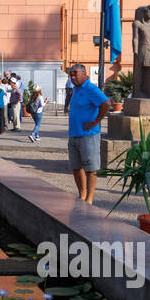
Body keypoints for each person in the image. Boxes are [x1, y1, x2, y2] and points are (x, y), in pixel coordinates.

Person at [66, 63, 110, 204]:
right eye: (71, 74)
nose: (72, 77)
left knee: (91, 168)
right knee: (76, 167)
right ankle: (82, 194)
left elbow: (106, 104)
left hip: (88, 135)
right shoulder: (76, 89)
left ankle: (89, 198)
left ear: (85, 74)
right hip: (74, 134)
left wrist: (95, 121)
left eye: (75, 74)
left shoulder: (90, 88)